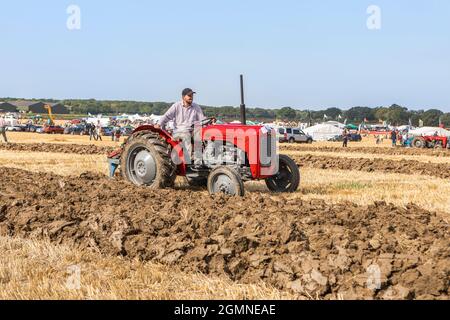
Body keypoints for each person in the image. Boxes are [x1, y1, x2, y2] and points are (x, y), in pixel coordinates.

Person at [155, 88, 206, 166]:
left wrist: (208, 123)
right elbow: (167, 116)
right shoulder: (176, 106)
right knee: (186, 135)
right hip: (179, 131)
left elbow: (202, 119)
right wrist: (159, 124)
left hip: (191, 130)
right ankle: (187, 162)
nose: (191, 97)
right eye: (189, 95)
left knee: (200, 134)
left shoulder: (196, 107)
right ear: (183, 97)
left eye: (192, 95)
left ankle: (198, 160)